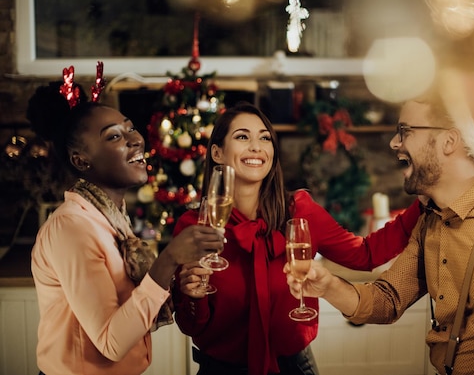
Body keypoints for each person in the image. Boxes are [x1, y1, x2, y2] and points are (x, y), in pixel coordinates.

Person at [285, 68, 474, 375]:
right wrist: (327, 286)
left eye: (405, 130)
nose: (395, 143)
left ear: (449, 141)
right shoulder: (431, 221)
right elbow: (388, 300)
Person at [171, 102, 422, 375]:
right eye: (242, 136)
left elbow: (366, 254)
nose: (256, 146)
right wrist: (191, 296)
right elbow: (191, 325)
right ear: (217, 152)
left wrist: (423, 204)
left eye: (265, 138)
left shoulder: (300, 210)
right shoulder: (193, 226)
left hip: (294, 368)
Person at [28, 64, 222, 375]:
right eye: (114, 136)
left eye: (130, 128)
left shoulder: (109, 218)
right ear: (81, 160)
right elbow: (111, 342)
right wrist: (169, 258)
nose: (135, 140)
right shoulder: (72, 227)